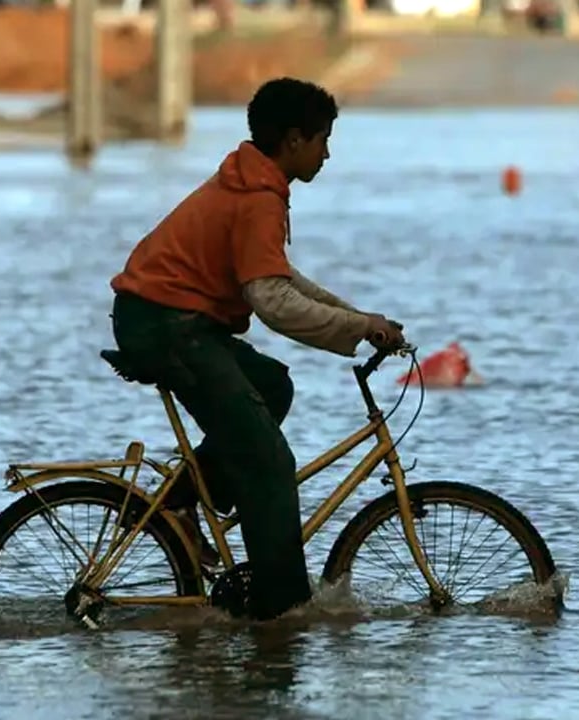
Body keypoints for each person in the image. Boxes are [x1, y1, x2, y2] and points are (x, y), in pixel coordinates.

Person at [108, 77, 405, 621]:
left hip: (174, 321)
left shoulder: (254, 185)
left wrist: (362, 321)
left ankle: (177, 505)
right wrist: (356, 328)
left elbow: (279, 277)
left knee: (273, 386)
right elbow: (272, 301)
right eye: (323, 139)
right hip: (166, 326)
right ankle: (282, 612)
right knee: (269, 464)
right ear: (293, 141)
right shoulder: (256, 197)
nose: (328, 153)